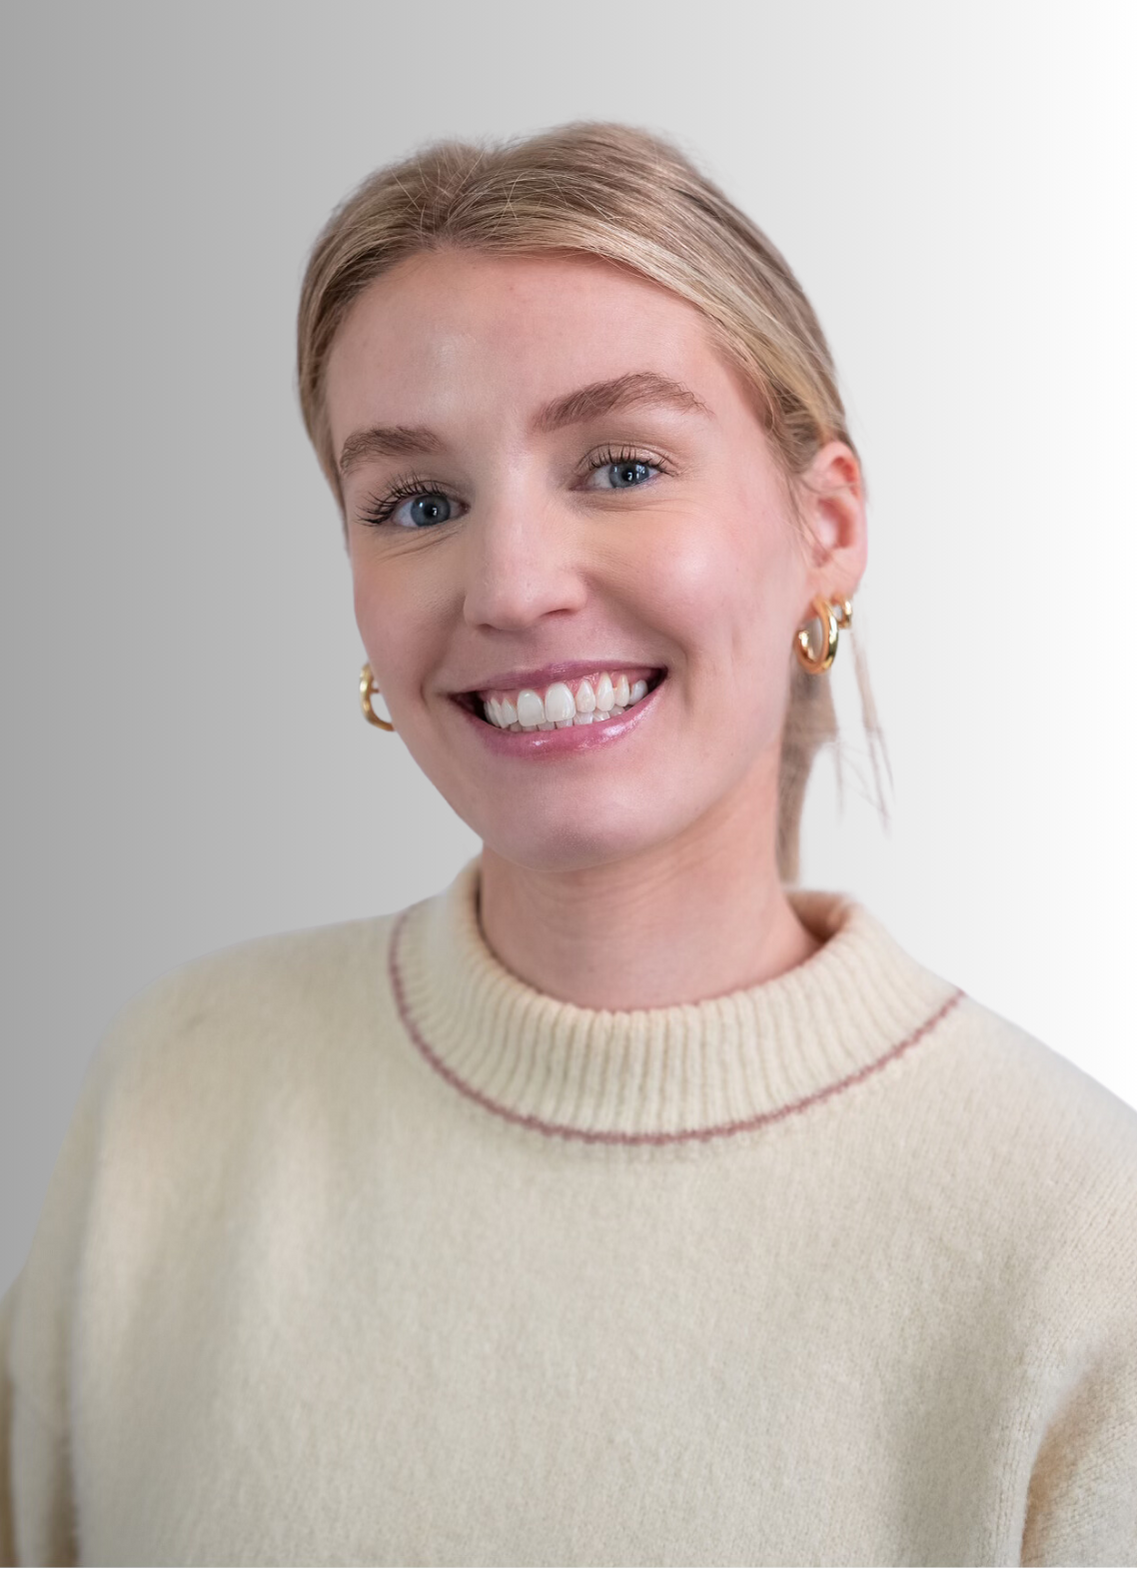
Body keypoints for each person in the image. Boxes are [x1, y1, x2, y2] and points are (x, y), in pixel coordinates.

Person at [2, 122, 1135, 1568]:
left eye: (618, 465)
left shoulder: (1086, 1252)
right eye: (418, 502)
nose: (516, 586)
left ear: (828, 526)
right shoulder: (175, 1095)